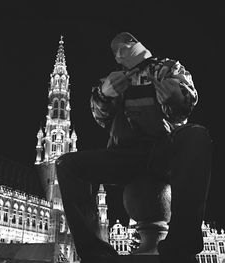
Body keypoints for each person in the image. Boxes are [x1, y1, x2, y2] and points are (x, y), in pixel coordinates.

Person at [55, 32, 212, 263]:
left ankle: (181, 248)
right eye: (115, 50)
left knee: (197, 136)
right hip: (123, 156)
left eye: (125, 45)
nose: (120, 52)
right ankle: (96, 254)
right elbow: (100, 117)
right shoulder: (113, 78)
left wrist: (177, 96)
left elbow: (188, 103)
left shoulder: (166, 67)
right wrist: (104, 94)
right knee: (66, 165)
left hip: (163, 151)